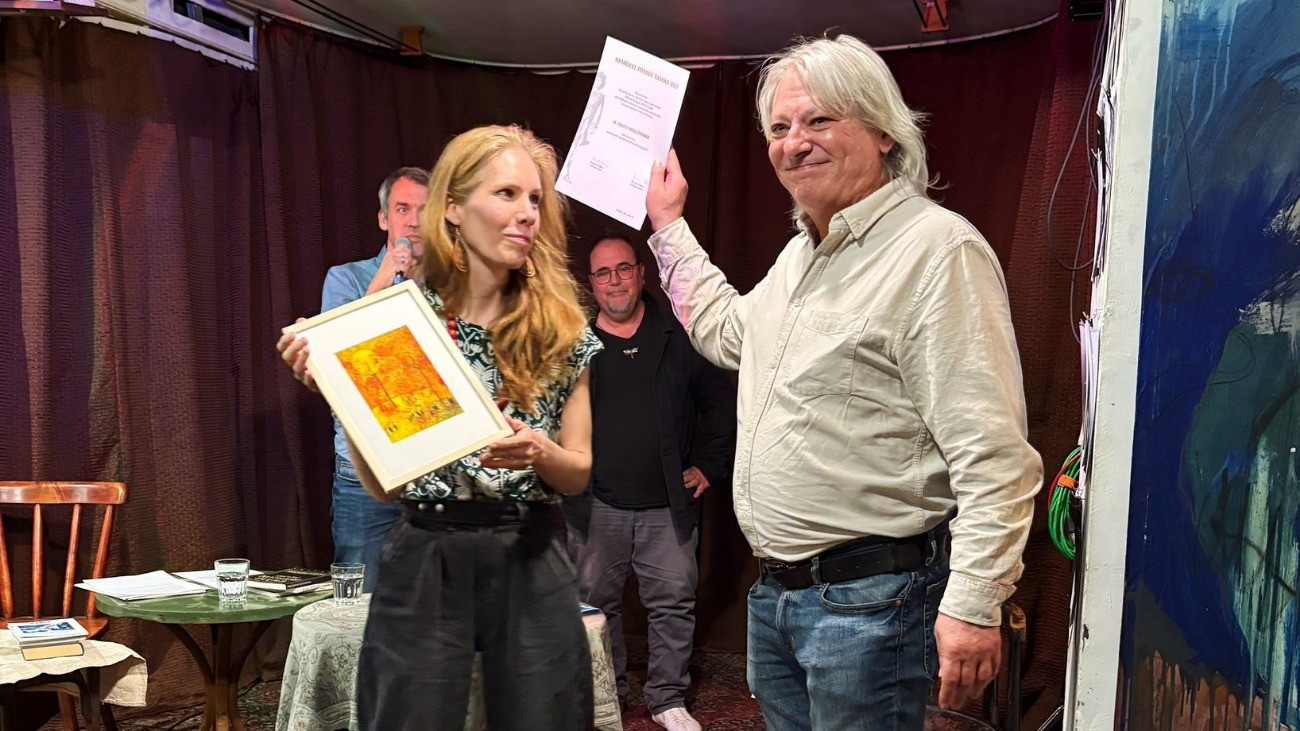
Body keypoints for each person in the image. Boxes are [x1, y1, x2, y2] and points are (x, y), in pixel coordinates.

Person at [642, 34, 1043, 730]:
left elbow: (994, 456)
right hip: (778, 598)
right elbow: (727, 331)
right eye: (779, 128)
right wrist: (668, 224)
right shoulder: (800, 257)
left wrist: (974, 603)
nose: (794, 143)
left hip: (872, 607)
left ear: (884, 130)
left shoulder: (936, 250)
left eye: (819, 120)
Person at [278, 125, 602, 730]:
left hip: (531, 553)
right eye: (506, 194)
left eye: (535, 199)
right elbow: (385, 488)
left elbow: (579, 472)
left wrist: (540, 451)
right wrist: (345, 396)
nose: (526, 213)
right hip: (426, 553)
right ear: (452, 208)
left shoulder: (560, 326)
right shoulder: (403, 325)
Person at [564, 235, 735, 731]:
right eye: (603, 273)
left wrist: (709, 465)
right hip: (596, 503)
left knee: (673, 604)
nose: (615, 280)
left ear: (642, 274)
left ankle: (667, 698)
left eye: (623, 269)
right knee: (594, 608)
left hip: (667, 504)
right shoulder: (574, 344)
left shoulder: (679, 335)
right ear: (591, 283)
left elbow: (719, 403)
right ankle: (607, 695)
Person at [320, 166, 430, 591]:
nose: (413, 220)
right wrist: (386, 277)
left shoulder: (455, 288)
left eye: (424, 209)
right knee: (357, 608)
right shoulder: (346, 279)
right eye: (402, 209)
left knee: (434, 607)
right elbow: (344, 361)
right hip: (364, 478)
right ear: (384, 218)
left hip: (435, 478)